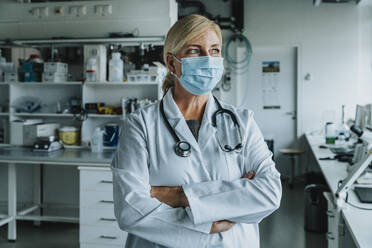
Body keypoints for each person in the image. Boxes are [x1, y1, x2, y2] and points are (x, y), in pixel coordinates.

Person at [112, 14, 282, 248]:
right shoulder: (141, 124)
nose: (208, 59)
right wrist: (210, 219)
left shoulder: (242, 122)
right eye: (194, 50)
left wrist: (178, 196)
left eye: (214, 50)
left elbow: (269, 193)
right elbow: (130, 210)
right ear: (172, 63)